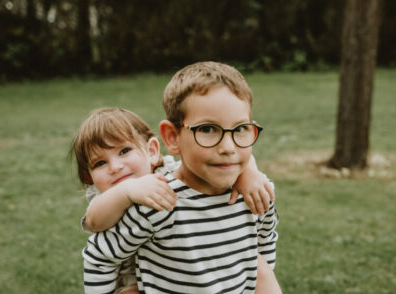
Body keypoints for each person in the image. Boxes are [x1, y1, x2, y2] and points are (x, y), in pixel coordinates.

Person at [81, 61, 280, 293]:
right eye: (207, 129)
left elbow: (264, 246)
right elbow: (100, 256)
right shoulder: (159, 202)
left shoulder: (257, 194)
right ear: (172, 137)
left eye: (240, 129)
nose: (228, 147)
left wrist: (250, 171)